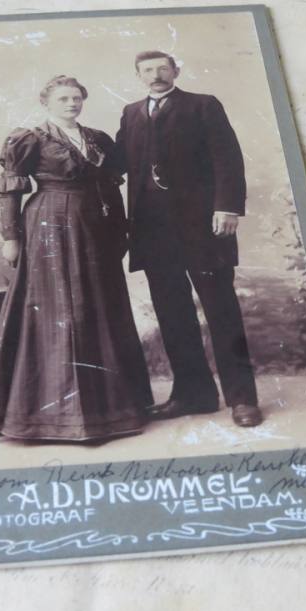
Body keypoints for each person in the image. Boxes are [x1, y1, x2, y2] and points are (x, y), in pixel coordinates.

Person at [0, 75, 153, 441]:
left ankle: (110, 409)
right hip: (50, 223)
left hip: (95, 225)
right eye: (63, 99)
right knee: (60, 308)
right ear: (47, 103)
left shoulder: (97, 139)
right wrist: (11, 237)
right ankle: (49, 414)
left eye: (76, 98)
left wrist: (120, 228)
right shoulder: (30, 139)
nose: (72, 104)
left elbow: (110, 184)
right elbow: (10, 191)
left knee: (97, 305)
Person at [114, 51, 262, 427]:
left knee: (221, 309)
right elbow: (115, 163)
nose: (156, 75)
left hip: (203, 227)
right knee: (172, 312)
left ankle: (242, 399)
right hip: (153, 231)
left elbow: (228, 159)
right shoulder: (131, 114)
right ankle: (194, 395)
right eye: (148, 70)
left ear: (176, 71)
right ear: (138, 76)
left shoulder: (203, 105)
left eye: (163, 68)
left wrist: (227, 207)